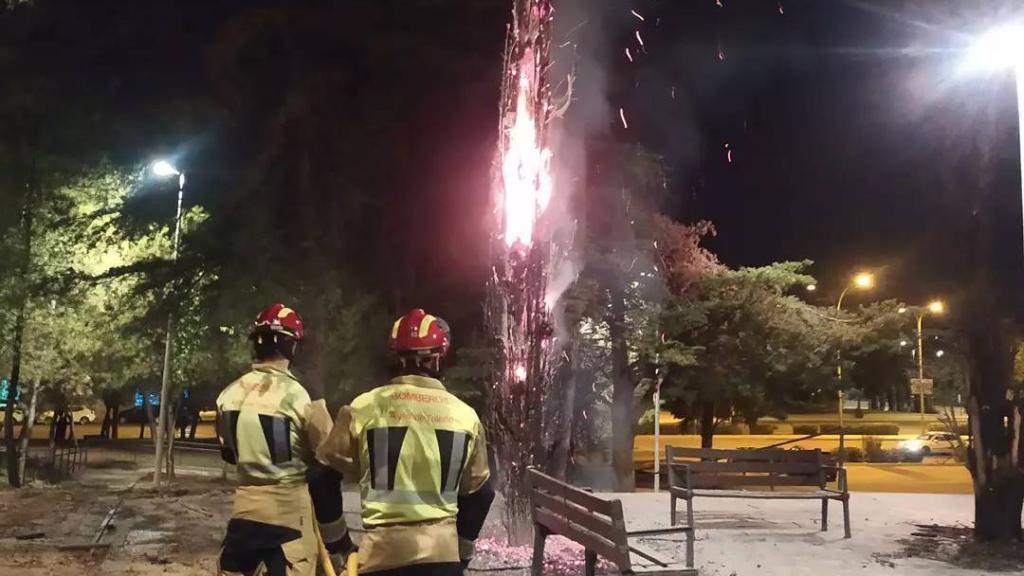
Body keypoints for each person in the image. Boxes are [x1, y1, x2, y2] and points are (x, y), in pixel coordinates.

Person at [317, 308, 495, 576]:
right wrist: (461, 553)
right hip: (442, 558)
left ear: (395, 357)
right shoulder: (464, 416)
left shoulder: (362, 408)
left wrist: (339, 543)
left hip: (380, 558)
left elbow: (321, 479)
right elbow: (482, 493)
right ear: (438, 358)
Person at [216, 303, 355, 576]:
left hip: (242, 518)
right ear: (292, 347)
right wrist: (339, 541)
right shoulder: (300, 396)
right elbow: (327, 462)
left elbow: (229, 453)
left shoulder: (227, 395)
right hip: (289, 522)